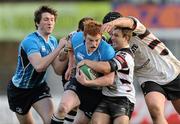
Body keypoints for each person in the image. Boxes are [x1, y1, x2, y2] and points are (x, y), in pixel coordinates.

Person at [100, 12, 180, 124]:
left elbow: (129, 21)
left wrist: (113, 22)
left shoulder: (136, 29)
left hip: (170, 70)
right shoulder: (111, 45)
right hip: (148, 78)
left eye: (113, 27)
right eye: (109, 30)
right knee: (155, 110)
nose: (112, 33)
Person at [7, 5, 65, 124]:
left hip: (39, 88)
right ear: (37, 23)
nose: (50, 23)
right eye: (46, 19)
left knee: (51, 121)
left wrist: (69, 52)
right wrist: (59, 48)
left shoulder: (53, 41)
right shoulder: (30, 41)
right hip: (19, 90)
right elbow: (39, 66)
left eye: (52, 20)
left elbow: (58, 70)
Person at [51, 20, 115, 124]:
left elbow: (109, 79)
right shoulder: (76, 38)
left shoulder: (107, 51)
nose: (94, 44)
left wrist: (88, 82)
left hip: (96, 90)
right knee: (62, 108)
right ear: (84, 37)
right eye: (90, 40)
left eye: (97, 40)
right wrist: (71, 66)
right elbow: (70, 47)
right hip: (78, 82)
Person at [76, 25, 135, 124]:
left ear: (126, 38)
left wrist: (86, 62)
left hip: (123, 98)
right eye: (112, 35)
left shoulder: (126, 55)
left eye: (116, 35)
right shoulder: (111, 50)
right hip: (106, 96)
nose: (112, 38)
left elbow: (107, 67)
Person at [54, 17, 94, 124]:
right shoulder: (72, 36)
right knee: (70, 106)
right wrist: (67, 48)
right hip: (72, 74)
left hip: (89, 73)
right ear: (78, 31)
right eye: (83, 32)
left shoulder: (98, 38)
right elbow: (61, 58)